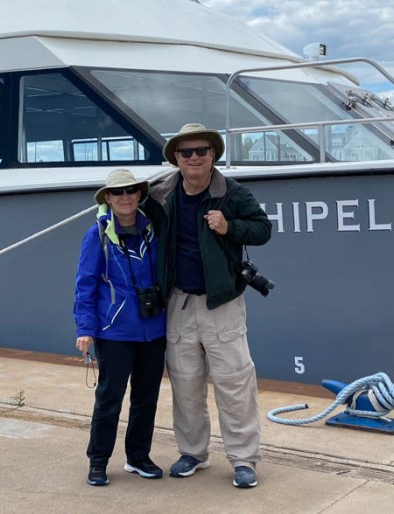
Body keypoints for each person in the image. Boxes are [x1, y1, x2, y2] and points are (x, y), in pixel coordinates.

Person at [145, 123, 272, 488]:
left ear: (213, 154)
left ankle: (244, 459)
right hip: (179, 302)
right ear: (176, 158)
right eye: (186, 152)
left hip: (222, 303)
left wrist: (229, 227)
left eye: (202, 150)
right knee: (184, 383)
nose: (195, 157)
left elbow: (263, 229)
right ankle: (192, 453)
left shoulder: (232, 192)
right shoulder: (160, 195)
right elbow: (125, 213)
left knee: (234, 381)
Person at [74, 169, 167, 486]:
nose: (125, 197)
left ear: (140, 195)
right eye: (118, 192)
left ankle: (138, 457)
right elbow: (85, 284)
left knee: (146, 398)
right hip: (114, 331)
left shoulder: (153, 229)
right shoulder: (97, 235)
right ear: (108, 198)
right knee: (109, 398)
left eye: (131, 191)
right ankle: (98, 461)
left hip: (153, 329)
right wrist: (85, 328)